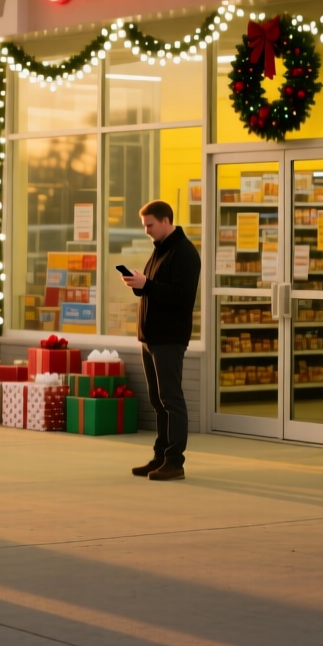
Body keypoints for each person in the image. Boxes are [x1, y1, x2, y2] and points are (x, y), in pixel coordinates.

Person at [118, 199, 200, 481]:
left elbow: (182, 296)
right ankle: (160, 455)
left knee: (171, 399)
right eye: (145, 226)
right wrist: (140, 285)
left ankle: (175, 461)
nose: (147, 231)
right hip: (151, 338)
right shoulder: (160, 252)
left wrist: (148, 285)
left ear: (166, 220)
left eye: (150, 225)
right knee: (157, 399)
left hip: (169, 338)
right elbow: (158, 289)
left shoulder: (184, 253)